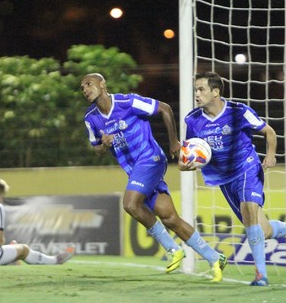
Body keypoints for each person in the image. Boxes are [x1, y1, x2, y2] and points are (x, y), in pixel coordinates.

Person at [178, 71, 286, 286]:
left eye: (201, 89)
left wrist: (271, 154)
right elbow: (189, 151)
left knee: (248, 210)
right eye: (195, 90)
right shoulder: (192, 120)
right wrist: (185, 164)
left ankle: (261, 276)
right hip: (223, 177)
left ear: (215, 92)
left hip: (246, 167)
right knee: (262, 229)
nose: (196, 94)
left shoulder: (238, 111)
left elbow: (269, 132)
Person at [81, 73, 227, 281]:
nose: (85, 89)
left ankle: (172, 249)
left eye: (89, 84)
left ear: (103, 84)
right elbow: (97, 149)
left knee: (130, 204)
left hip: (151, 158)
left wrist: (174, 142)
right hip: (135, 170)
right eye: (82, 87)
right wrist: (104, 143)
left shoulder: (127, 102)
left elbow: (164, 109)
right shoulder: (90, 118)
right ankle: (215, 257)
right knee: (170, 218)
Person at [0, 178, 75, 265]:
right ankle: (55, 260)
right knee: (24, 249)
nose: (2, 198)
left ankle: (12, 259)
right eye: (2, 195)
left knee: (14, 248)